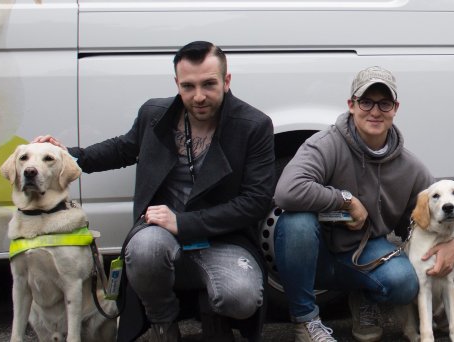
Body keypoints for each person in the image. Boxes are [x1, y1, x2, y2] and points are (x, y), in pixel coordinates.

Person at [34, 41, 275, 342]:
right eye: (188, 86)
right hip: (160, 236)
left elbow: (255, 202)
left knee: (240, 297)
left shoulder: (254, 126)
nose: (198, 96)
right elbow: (122, 149)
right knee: (144, 250)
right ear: (177, 83)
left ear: (226, 81)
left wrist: (184, 222)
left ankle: (216, 315)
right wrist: (64, 156)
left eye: (209, 84)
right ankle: (163, 322)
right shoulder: (155, 114)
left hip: (223, 239)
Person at [273, 66, 454, 342]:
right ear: (351, 105)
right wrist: (346, 200)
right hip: (317, 251)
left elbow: (438, 208)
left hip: (366, 252)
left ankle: (363, 294)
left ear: (395, 108)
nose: (375, 111)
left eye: (384, 103)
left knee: (405, 282)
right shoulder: (325, 144)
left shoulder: (411, 168)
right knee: (295, 223)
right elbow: (287, 191)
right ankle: (305, 321)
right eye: (366, 101)